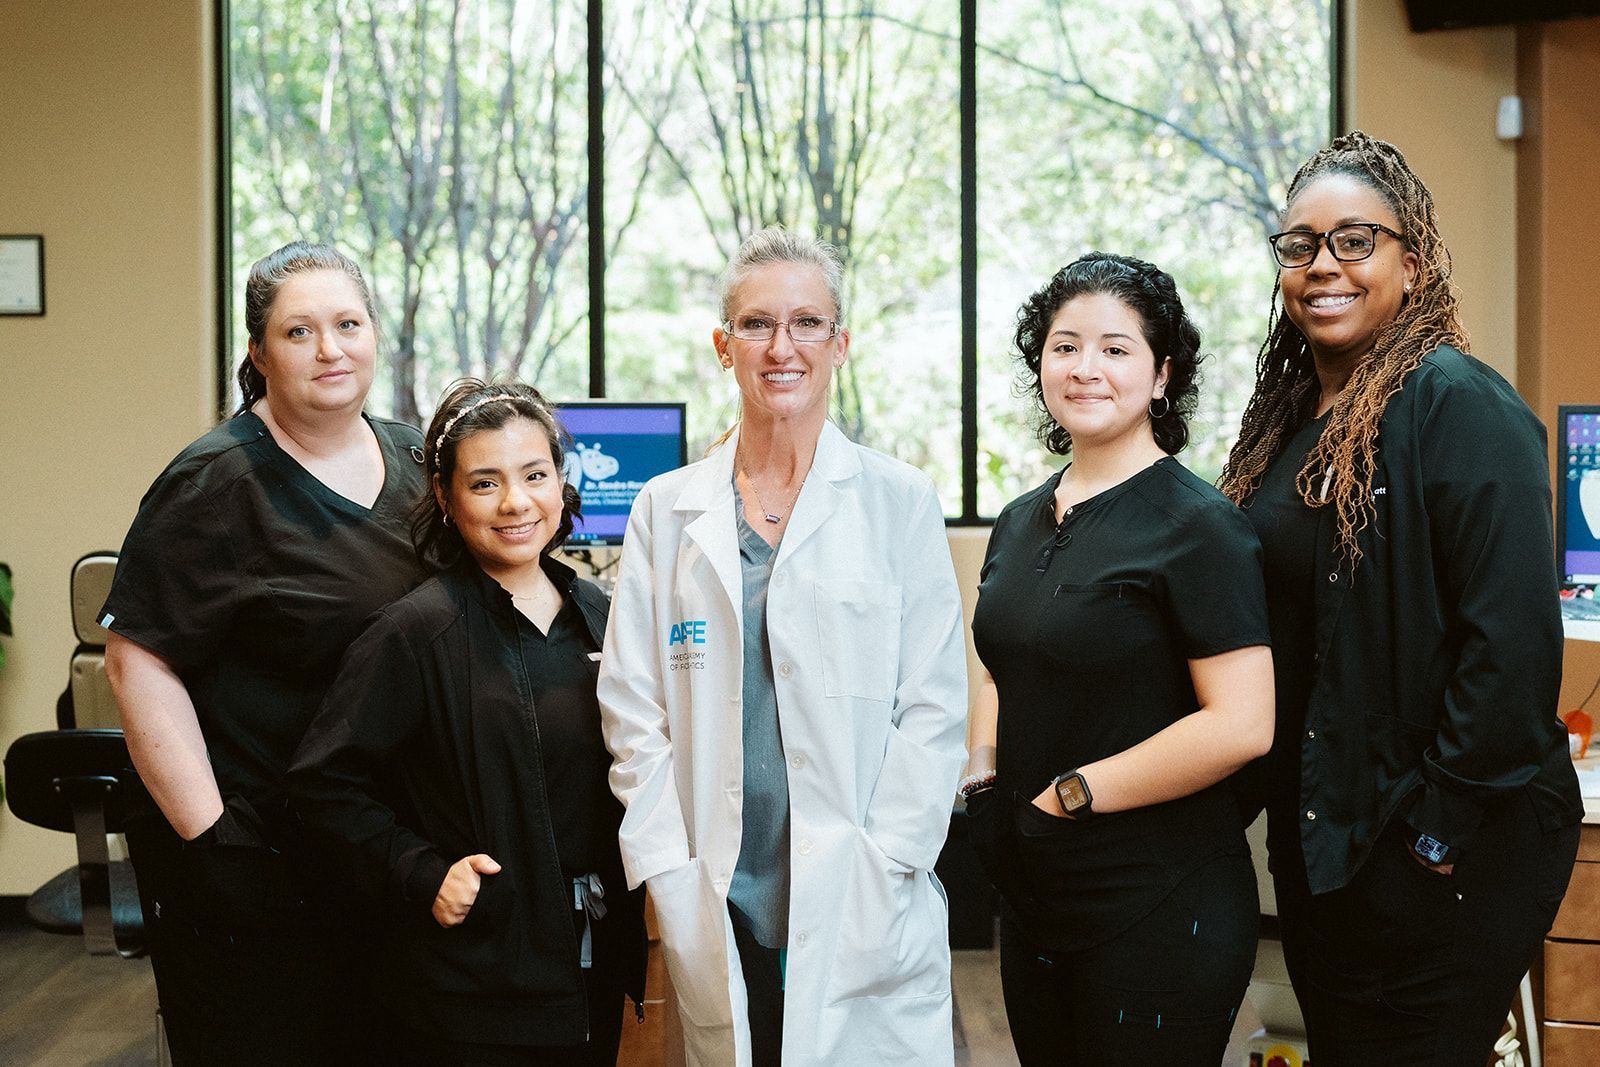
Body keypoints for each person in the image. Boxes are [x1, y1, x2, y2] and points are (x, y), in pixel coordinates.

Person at [1219, 131, 1584, 1064]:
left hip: (1441, 845)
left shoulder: (1458, 404)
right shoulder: (1288, 417)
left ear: (1411, 264)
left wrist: (1435, 836)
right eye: (1299, 246)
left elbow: (1508, 647)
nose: (1322, 266)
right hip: (1332, 836)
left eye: (1355, 240)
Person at [596, 225, 968, 1066]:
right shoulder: (667, 508)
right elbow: (631, 706)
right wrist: (666, 863)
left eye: (806, 323)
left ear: (841, 342)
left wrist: (890, 860)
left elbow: (936, 703)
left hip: (862, 891)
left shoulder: (897, 500)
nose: (782, 346)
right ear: (723, 346)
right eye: (757, 324)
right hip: (720, 893)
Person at [100, 241, 427, 1063]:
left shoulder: (418, 462)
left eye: (348, 323)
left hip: (375, 853)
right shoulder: (215, 482)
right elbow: (137, 661)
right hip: (254, 858)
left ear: (374, 333)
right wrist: (213, 841)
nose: (330, 348)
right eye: (299, 331)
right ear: (257, 351)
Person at [964, 251, 1275, 1063]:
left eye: (1115, 348)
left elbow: (1243, 724)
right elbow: (1005, 658)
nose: (1084, 368)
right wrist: (984, 771)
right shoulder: (1022, 518)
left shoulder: (1201, 526)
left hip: (1161, 900)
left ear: (1163, 373)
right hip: (1037, 891)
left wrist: (1072, 794)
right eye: (1064, 346)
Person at [288, 380, 647, 1065]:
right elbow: (322, 784)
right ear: (447, 500)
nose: (516, 501)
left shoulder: (602, 613)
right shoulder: (417, 631)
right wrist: (422, 871)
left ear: (561, 484)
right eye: (485, 483)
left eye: (535, 475)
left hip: (590, 965)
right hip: (476, 986)